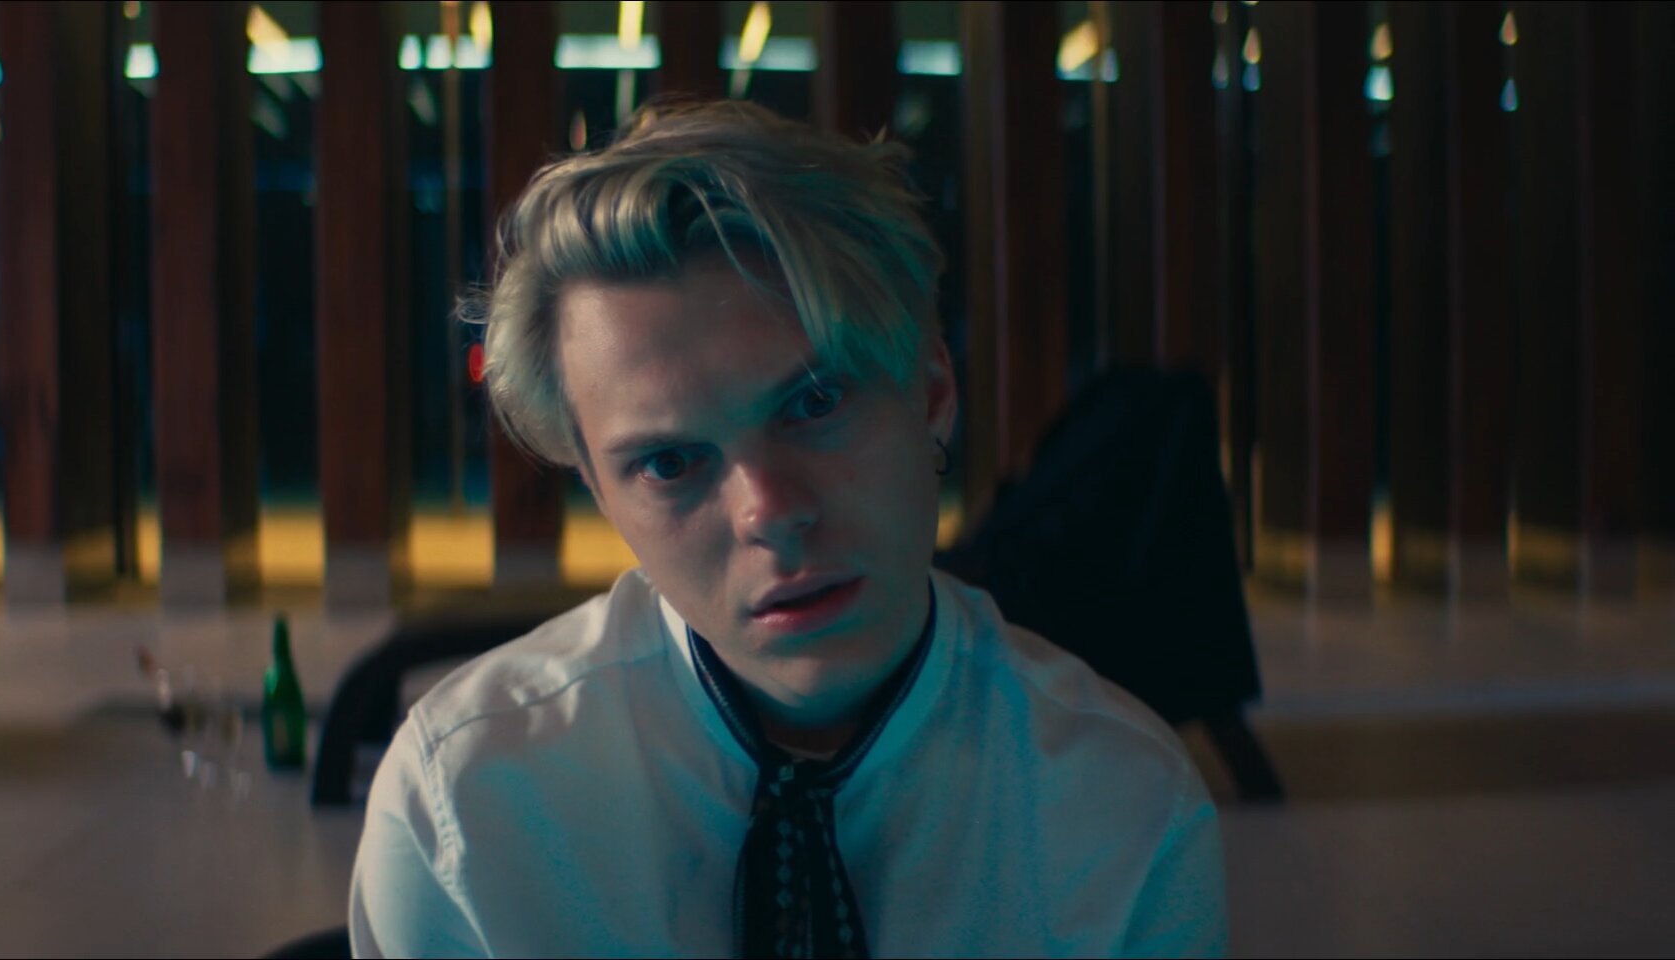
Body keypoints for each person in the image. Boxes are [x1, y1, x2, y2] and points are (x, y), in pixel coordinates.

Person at [349, 99, 1225, 959]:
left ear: (930, 393)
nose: (768, 511)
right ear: (600, 492)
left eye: (814, 403)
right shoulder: (466, 809)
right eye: (668, 462)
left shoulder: (1123, 811)